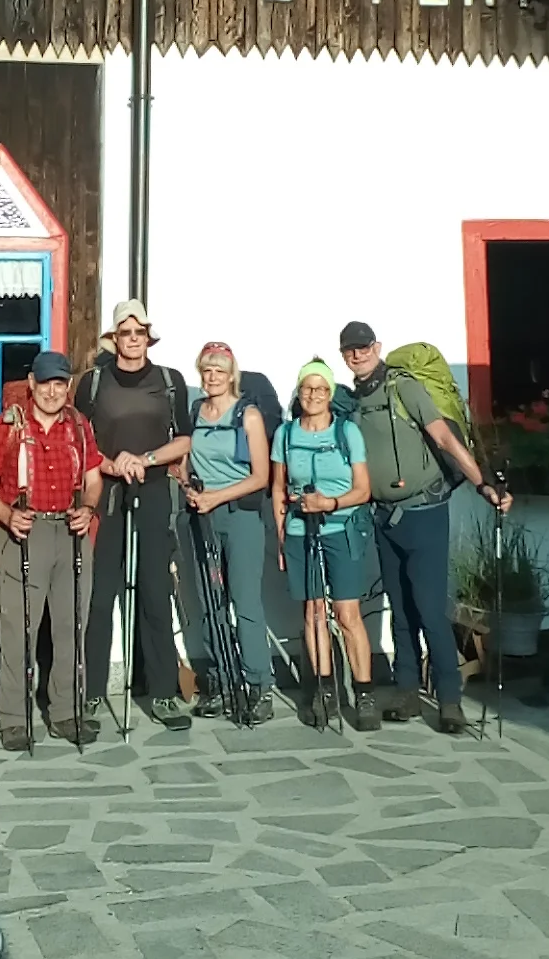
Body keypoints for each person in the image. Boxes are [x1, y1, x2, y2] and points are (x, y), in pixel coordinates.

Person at [338, 321, 512, 735]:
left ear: (377, 347)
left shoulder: (403, 388)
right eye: (350, 350)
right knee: (400, 611)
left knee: (430, 609)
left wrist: (482, 482)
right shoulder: (352, 401)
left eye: (364, 347)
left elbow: (446, 440)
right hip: (383, 516)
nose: (358, 355)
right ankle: (407, 693)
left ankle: (450, 701)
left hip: (424, 512)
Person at [0, 350, 102, 751]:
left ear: (67, 387)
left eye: (60, 383)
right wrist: (7, 516)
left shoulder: (79, 426)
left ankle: (66, 712)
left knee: (71, 627)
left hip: (70, 529)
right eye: (46, 382)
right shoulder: (8, 425)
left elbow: (94, 478)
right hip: (22, 532)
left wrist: (89, 507)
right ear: (31, 383)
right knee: (17, 629)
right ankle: (14, 717)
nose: (52, 391)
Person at [75, 299, 192, 733]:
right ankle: (91, 693)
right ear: (115, 338)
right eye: (125, 332)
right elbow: (79, 438)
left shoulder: (170, 381)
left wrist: (143, 458)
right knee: (100, 595)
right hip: (107, 494)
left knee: (154, 590)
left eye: (139, 332)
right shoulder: (93, 382)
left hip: (155, 490)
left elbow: (183, 441)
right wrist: (110, 465)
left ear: (148, 337)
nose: (133, 339)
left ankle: (161, 690)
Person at [271, 359, 379, 731]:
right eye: (306, 388)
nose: (313, 395)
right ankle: (324, 690)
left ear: (330, 394)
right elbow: (277, 488)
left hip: (341, 529)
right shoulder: (285, 435)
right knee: (313, 613)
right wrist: (282, 532)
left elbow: (363, 490)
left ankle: (364, 693)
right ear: (298, 393)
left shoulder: (347, 433)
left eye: (320, 389)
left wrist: (329, 504)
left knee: (348, 614)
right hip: (302, 532)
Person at [184, 342, 274, 722]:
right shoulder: (196, 412)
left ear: (231, 373)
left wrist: (217, 496)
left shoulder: (247, 415)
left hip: (240, 517)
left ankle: (258, 687)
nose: (213, 377)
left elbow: (261, 477)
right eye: (207, 370)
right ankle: (222, 681)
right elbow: (188, 459)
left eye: (220, 370)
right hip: (203, 516)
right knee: (211, 602)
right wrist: (188, 485)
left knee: (245, 602)